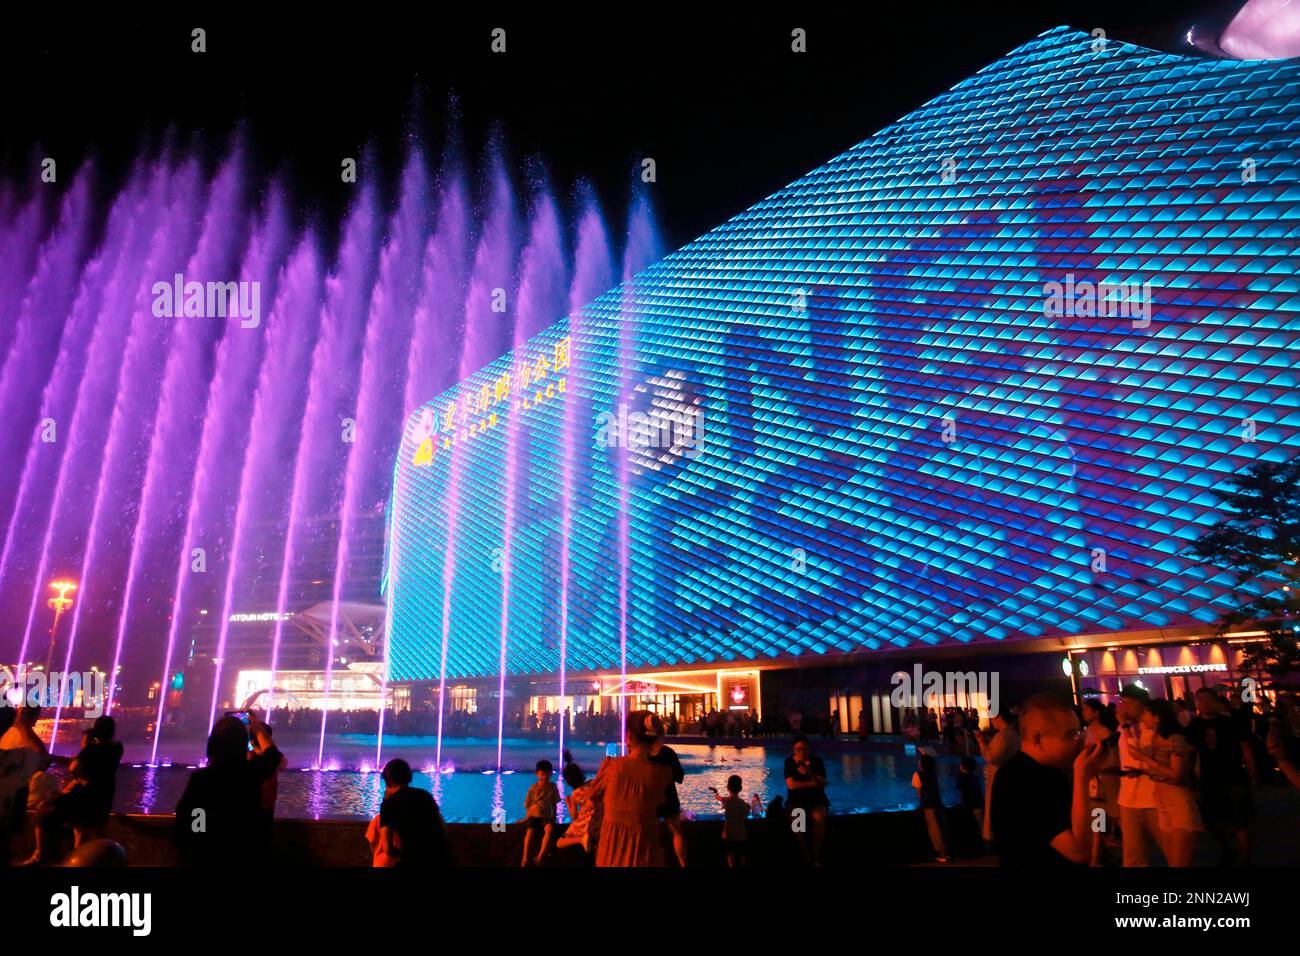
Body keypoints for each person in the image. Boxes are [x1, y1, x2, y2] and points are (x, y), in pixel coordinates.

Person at [990, 693, 1101, 866]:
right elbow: (1079, 852)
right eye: (1071, 735)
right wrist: (1082, 779)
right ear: (1038, 739)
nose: (1079, 742)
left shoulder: (1042, 771)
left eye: (1080, 733)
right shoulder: (1026, 781)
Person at [173, 711, 283, 866]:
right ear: (242, 745)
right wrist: (257, 728)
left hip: (208, 856)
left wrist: (204, 835)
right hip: (244, 855)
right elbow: (273, 755)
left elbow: (190, 818)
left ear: (213, 745)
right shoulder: (249, 774)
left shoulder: (202, 779)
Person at [26, 716, 123, 865]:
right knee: (90, 832)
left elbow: (73, 767)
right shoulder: (117, 748)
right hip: (104, 796)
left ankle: (47, 855)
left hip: (85, 798)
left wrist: (81, 777)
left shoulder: (92, 749)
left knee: (65, 824)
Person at [585, 711, 673, 867]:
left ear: (629, 736)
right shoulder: (662, 773)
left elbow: (592, 796)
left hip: (612, 852)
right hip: (646, 852)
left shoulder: (612, 767)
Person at [1126, 699, 1203, 867]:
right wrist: (1142, 771)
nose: (1143, 717)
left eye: (1146, 714)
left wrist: (1146, 760)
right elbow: (1154, 765)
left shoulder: (1175, 739)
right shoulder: (1156, 738)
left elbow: (1176, 775)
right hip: (1162, 801)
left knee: (1180, 862)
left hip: (1178, 802)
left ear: (1157, 717)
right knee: (1173, 859)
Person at [1186, 687, 1255, 866]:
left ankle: (1246, 856)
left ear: (1215, 701)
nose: (1205, 703)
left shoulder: (1229, 722)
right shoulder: (1194, 725)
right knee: (1210, 818)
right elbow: (1190, 752)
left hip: (1233, 775)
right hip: (1209, 777)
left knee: (1238, 816)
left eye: (1208, 699)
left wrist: (1252, 772)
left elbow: (1245, 748)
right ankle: (1231, 847)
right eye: (1200, 700)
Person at [368, 758, 450, 867]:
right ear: (409, 777)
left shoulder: (389, 804)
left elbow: (387, 848)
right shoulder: (425, 795)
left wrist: (408, 856)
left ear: (387, 780)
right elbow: (443, 829)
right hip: (441, 858)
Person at [1116, 684, 1161, 866]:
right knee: (1134, 855)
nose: (1123, 707)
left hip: (1153, 797)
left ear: (1141, 704)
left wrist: (1126, 726)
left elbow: (1137, 757)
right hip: (1128, 797)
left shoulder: (1152, 727)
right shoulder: (1122, 728)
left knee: (1174, 851)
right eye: (1122, 702)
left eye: (1128, 702)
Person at [1081, 699, 1121, 866]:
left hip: (1106, 778)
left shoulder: (1104, 733)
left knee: (1114, 813)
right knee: (1099, 815)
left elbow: (1112, 758)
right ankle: (1098, 855)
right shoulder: (1088, 731)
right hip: (1096, 779)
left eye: (1086, 710)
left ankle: (1098, 856)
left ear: (1096, 713)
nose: (1083, 713)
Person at [784, 734, 829, 865]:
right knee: (797, 824)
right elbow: (791, 785)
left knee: (819, 819)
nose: (801, 752)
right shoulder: (789, 762)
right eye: (798, 749)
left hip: (817, 799)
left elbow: (820, 781)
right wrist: (813, 783)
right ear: (794, 749)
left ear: (809, 749)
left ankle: (815, 855)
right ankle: (805, 855)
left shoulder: (817, 761)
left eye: (804, 749)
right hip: (796, 800)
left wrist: (808, 770)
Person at [648, 720, 688, 867]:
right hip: (669, 798)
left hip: (650, 800)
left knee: (653, 835)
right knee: (677, 832)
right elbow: (679, 776)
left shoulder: (644, 754)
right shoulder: (668, 752)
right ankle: (683, 863)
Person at [976, 711, 1019, 844]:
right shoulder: (1010, 734)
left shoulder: (1005, 735)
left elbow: (991, 757)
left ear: (999, 716)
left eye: (992, 718)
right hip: (1007, 775)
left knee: (998, 809)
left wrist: (982, 743)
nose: (991, 721)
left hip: (1000, 777)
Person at [557, 762, 601, 857]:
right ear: (581, 774)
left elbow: (574, 817)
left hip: (583, 825)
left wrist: (568, 803)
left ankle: (581, 840)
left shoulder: (574, 794)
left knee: (559, 842)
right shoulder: (592, 784)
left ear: (568, 781)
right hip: (597, 821)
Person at [912, 753, 949, 862]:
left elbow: (919, 793)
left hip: (928, 805)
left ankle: (942, 854)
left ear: (921, 764)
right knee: (942, 828)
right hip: (938, 803)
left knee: (934, 830)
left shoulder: (917, 774)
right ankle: (948, 851)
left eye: (920, 761)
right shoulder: (933, 773)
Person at [522, 759, 559, 866]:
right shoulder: (533, 788)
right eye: (542, 774)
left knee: (549, 829)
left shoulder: (553, 787)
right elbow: (528, 804)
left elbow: (554, 803)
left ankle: (540, 856)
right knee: (530, 833)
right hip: (533, 816)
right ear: (537, 774)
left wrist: (554, 817)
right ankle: (525, 857)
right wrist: (527, 817)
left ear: (551, 773)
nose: (545, 777)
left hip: (546, 816)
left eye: (547, 774)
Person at [712, 774, 749, 867]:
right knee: (741, 854)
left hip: (728, 834)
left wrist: (715, 792)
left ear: (728, 787)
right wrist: (748, 807)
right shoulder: (742, 803)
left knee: (730, 854)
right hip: (741, 834)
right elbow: (746, 814)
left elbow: (717, 797)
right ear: (740, 788)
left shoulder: (726, 801)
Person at [956, 754, 984, 849]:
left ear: (962, 766)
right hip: (979, 804)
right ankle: (985, 845)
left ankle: (982, 846)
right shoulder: (975, 777)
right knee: (981, 826)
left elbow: (961, 790)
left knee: (977, 827)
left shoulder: (962, 777)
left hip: (971, 806)